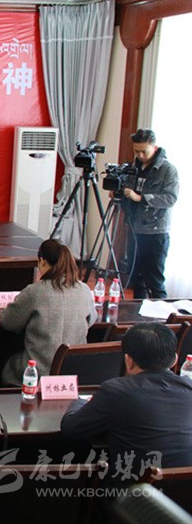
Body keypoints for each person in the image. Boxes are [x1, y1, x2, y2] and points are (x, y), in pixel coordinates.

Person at [61, 323, 192, 481]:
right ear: (174, 360)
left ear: (128, 360)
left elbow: (71, 428)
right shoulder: (189, 388)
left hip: (133, 493)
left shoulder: (116, 391)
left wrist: (79, 400)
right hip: (183, 493)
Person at [0, 239, 98, 385]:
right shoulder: (84, 289)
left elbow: (8, 322)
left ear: (42, 261)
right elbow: (92, 320)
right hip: (73, 373)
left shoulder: (35, 291)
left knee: (6, 361)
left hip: (38, 373)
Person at [121, 129, 179, 299]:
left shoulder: (168, 170)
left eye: (144, 151)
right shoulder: (133, 168)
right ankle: (140, 312)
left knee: (154, 281)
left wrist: (141, 198)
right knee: (137, 279)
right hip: (135, 228)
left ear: (155, 147)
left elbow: (170, 198)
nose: (140, 156)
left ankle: (162, 315)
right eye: (136, 151)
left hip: (156, 232)